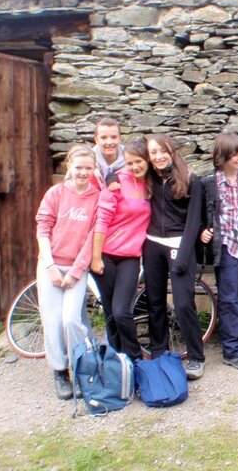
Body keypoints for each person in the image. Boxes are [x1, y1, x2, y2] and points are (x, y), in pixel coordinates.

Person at [35, 145, 100, 399]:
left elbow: (92, 238)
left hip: (77, 268)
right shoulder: (55, 193)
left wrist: (75, 272)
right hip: (50, 265)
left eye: (88, 168)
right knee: (52, 322)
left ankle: (81, 367)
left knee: (71, 319)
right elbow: (43, 229)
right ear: (68, 166)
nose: (83, 172)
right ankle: (60, 372)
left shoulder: (97, 197)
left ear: (95, 169)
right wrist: (50, 266)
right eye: (79, 167)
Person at [144, 133, 205, 379]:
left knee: (182, 303)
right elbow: (122, 172)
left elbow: (194, 221)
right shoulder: (146, 177)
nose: (158, 157)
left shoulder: (191, 179)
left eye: (162, 151)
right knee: (155, 302)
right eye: (153, 153)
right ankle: (159, 352)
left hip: (179, 244)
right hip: (152, 245)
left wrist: (183, 253)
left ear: (172, 151)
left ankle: (196, 356)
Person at [200, 133, 238, 371]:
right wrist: (203, 232)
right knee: (229, 297)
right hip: (225, 248)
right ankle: (232, 349)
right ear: (221, 157)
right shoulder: (209, 183)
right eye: (234, 154)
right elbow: (200, 214)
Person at [90, 140, 151, 362]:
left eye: (139, 161)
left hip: (131, 257)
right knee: (110, 312)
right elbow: (102, 220)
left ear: (148, 161)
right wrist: (95, 257)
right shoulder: (117, 183)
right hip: (105, 255)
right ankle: (116, 360)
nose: (134, 167)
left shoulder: (153, 185)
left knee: (121, 311)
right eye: (130, 162)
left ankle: (135, 359)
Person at [92, 118, 125, 188]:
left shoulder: (130, 157)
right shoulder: (89, 159)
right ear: (96, 140)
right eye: (104, 138)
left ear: (119, 139)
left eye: (114, 137)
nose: (109, 142)